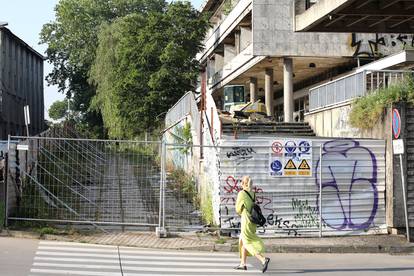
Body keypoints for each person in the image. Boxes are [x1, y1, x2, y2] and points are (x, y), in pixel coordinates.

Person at [234, 176, 270, 273]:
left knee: (247, 242)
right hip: (252, 221)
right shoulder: (252, 193)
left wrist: (241, 210)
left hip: (246, 220)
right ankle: (243, 264)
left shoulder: (241, 193)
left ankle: (263, 259)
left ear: (243, 183)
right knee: (243, 240)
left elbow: (237, 209)